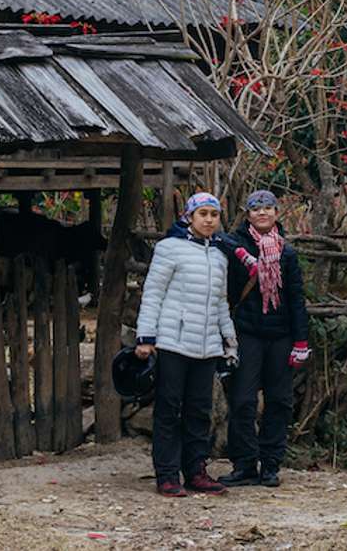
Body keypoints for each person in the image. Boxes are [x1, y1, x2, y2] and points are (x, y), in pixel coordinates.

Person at [134, 192, 238, 497]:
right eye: (202, 213)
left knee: (199, 410)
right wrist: (146, 337)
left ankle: (196, 470)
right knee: (168, 409)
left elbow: (221, 302)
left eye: (214, 214)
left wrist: (228, 340)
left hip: (206, 346)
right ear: (189, 217)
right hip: (173, 341)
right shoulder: (169, 249)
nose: (209, 220)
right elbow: (153, 293)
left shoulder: (219, 255)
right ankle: (167, 474)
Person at [217, 189, 310, 487]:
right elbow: (218, 239)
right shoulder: (236, 243)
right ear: (248, 215)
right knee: (243, 399)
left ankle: (270, 464)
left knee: (279, 401)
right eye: (256, 209)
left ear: (277, 214)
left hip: (281, 335)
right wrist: (243, 256)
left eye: (268, 208)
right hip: (248, 332)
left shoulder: (287, 253)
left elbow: (296, 299)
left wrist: (301, 341)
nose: (263, 213)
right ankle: (244, 464)